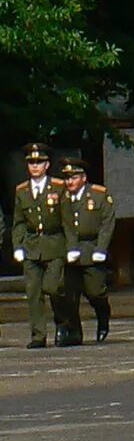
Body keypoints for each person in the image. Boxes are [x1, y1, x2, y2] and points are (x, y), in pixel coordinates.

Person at [11, 145, 68, 348]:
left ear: (47, 165)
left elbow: (67, 220)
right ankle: (38, 335)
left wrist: (71, 247)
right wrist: (18, 245)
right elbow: (19, 222)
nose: (35, 167)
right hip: (32, 245)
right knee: (33, 292)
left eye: (39, 163)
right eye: (31, 163)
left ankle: (63, 323)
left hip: (54, 245)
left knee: (52, 287)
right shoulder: (22, 191)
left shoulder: (59, 187)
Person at [58, 158, 115, 344]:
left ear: (83, 178)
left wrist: (101, 248)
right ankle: (74, 332)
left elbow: (107, 223)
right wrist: (70, 247)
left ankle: (103, 317)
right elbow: (64, 225)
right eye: (67, 178)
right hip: (71, 250)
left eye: (73, 177)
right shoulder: (62, 197)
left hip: (92, 249)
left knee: (95, 292)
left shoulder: (99, 195)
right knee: (70, 295)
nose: (69, 182)